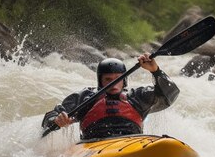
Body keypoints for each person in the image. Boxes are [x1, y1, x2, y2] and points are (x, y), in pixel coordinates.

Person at [41, 53, 180, 140]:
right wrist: (56, 120)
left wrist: (156, 71)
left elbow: (170, 94)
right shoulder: (85, 98)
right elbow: (50, 117)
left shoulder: (137, 97)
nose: (113, 83)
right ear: (100, 81)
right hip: (93, 146)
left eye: (118, 79)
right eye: (108, 79)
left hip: (133, 142)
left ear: (124, 80)